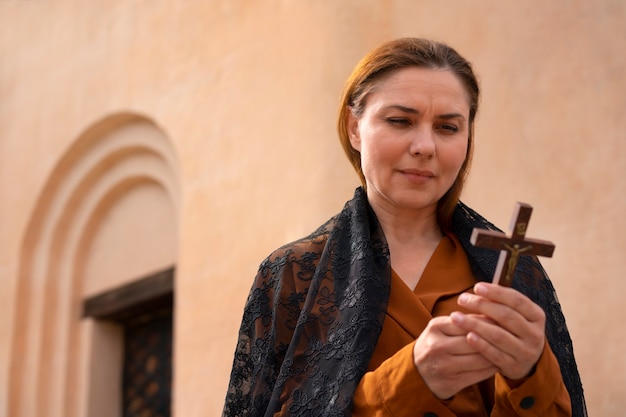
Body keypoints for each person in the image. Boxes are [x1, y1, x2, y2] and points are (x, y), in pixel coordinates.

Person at [223, 37, 586, 417]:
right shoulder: (295, 274)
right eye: (400, 121)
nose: (425, 146)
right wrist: (408, 380)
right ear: (354, 128)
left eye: (447, 128)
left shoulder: (514, 272)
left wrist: (530, 375)